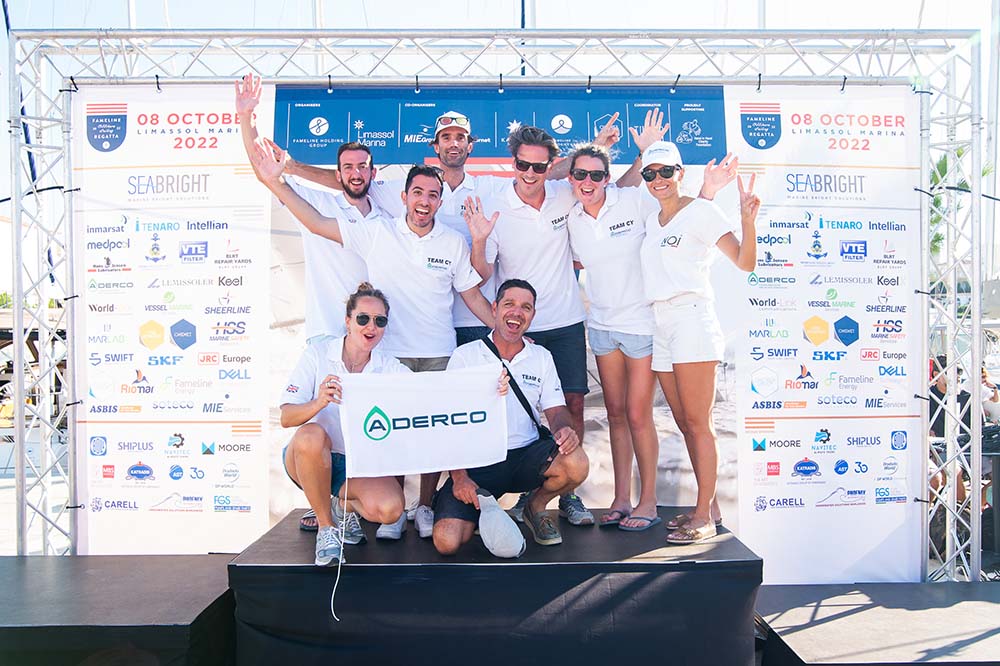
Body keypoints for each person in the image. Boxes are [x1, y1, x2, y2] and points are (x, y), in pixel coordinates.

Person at [250, 141, 496, 540]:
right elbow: (317, 222)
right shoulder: (377, 232)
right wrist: (275, 182)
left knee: (433, 433)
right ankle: (393, 511)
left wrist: (506, 332)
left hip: (438, 352)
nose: (424, 201)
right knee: (391, 433)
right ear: (404, 197)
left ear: (439, 202)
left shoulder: (452, 241)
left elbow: (473, 296)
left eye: (433, 195)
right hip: (390, 354)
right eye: (417, 192)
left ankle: (425, 505)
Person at [562, 136, 739, 532]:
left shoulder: (634, 200)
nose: (588, 182)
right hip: (602, 326)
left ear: (608, 178)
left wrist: (708, 191)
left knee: (639, 415)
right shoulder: (572, 219)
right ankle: (621, 499)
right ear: (571, 178)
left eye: (596, 175)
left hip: (644, 324)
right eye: (580, 175)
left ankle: (648, 501)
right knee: (615, 414)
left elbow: (680, 215)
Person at [638, 141, 759, 544]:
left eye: (665, 171)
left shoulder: (702, 212)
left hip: (692, 320)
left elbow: (745, 262)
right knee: (684, 422)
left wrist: (747, 220)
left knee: (698, 423)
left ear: (680, 173)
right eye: (650, 173)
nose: (658, 179)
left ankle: (704, 516)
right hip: (661, 323)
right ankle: (709, 507)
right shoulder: (653, 221)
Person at [433, 279, 589, 554]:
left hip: (526, 456)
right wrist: (459, 477)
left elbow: (556, 410)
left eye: (525, 307)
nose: (517, 312)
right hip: (479, 462)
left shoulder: (541, 356)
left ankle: (534, 506)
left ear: (532, 315)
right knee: (447, 542)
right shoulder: (465, 356)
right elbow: (449, 421)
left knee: (577, 463)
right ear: (494, 309)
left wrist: (565, 429)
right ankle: (486, 509)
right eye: (509, 304)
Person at [236, 75, 388, 344]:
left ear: (373, 173)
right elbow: (266, 172)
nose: (356, 173)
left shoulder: (389, 217)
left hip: (378, 340)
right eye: (348, 168)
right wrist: (247, 117)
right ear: (338, 175)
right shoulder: (318, 203)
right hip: (327, 336)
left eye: (362, 167)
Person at [280, 283, 409, 566]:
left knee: (391, 510)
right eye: (363, 318)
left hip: (355, 466)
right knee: (311, 435)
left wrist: (488, 387)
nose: (371, 326)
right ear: (348, 321)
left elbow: (429, 392)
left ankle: (343, 506)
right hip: (308, 457)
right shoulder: (317, 354)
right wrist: (318, 402)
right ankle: (326, 529)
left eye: (380, 321)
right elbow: (286, 417)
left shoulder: (389, 366)